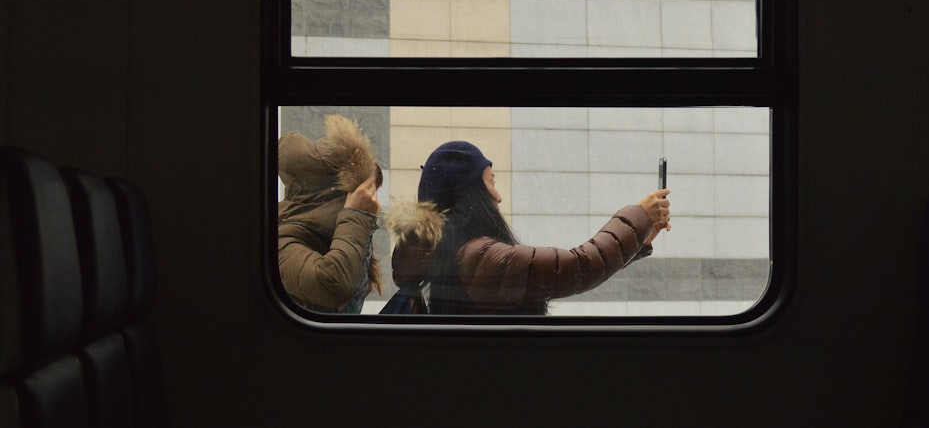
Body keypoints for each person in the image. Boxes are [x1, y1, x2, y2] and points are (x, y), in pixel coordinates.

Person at [384, 140, 671, 315]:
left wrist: (639, 240)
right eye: (491, 181)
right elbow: (578, 267)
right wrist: (640, 216)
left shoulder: (456, 254)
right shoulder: (480, 258)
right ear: (470, 193)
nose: (498, 195)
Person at [277, 114, 383, 314]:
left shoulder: (332, 234)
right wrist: (355, 214)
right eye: (363, 194)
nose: (373, 203)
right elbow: (333, 283)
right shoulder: (283, 238)